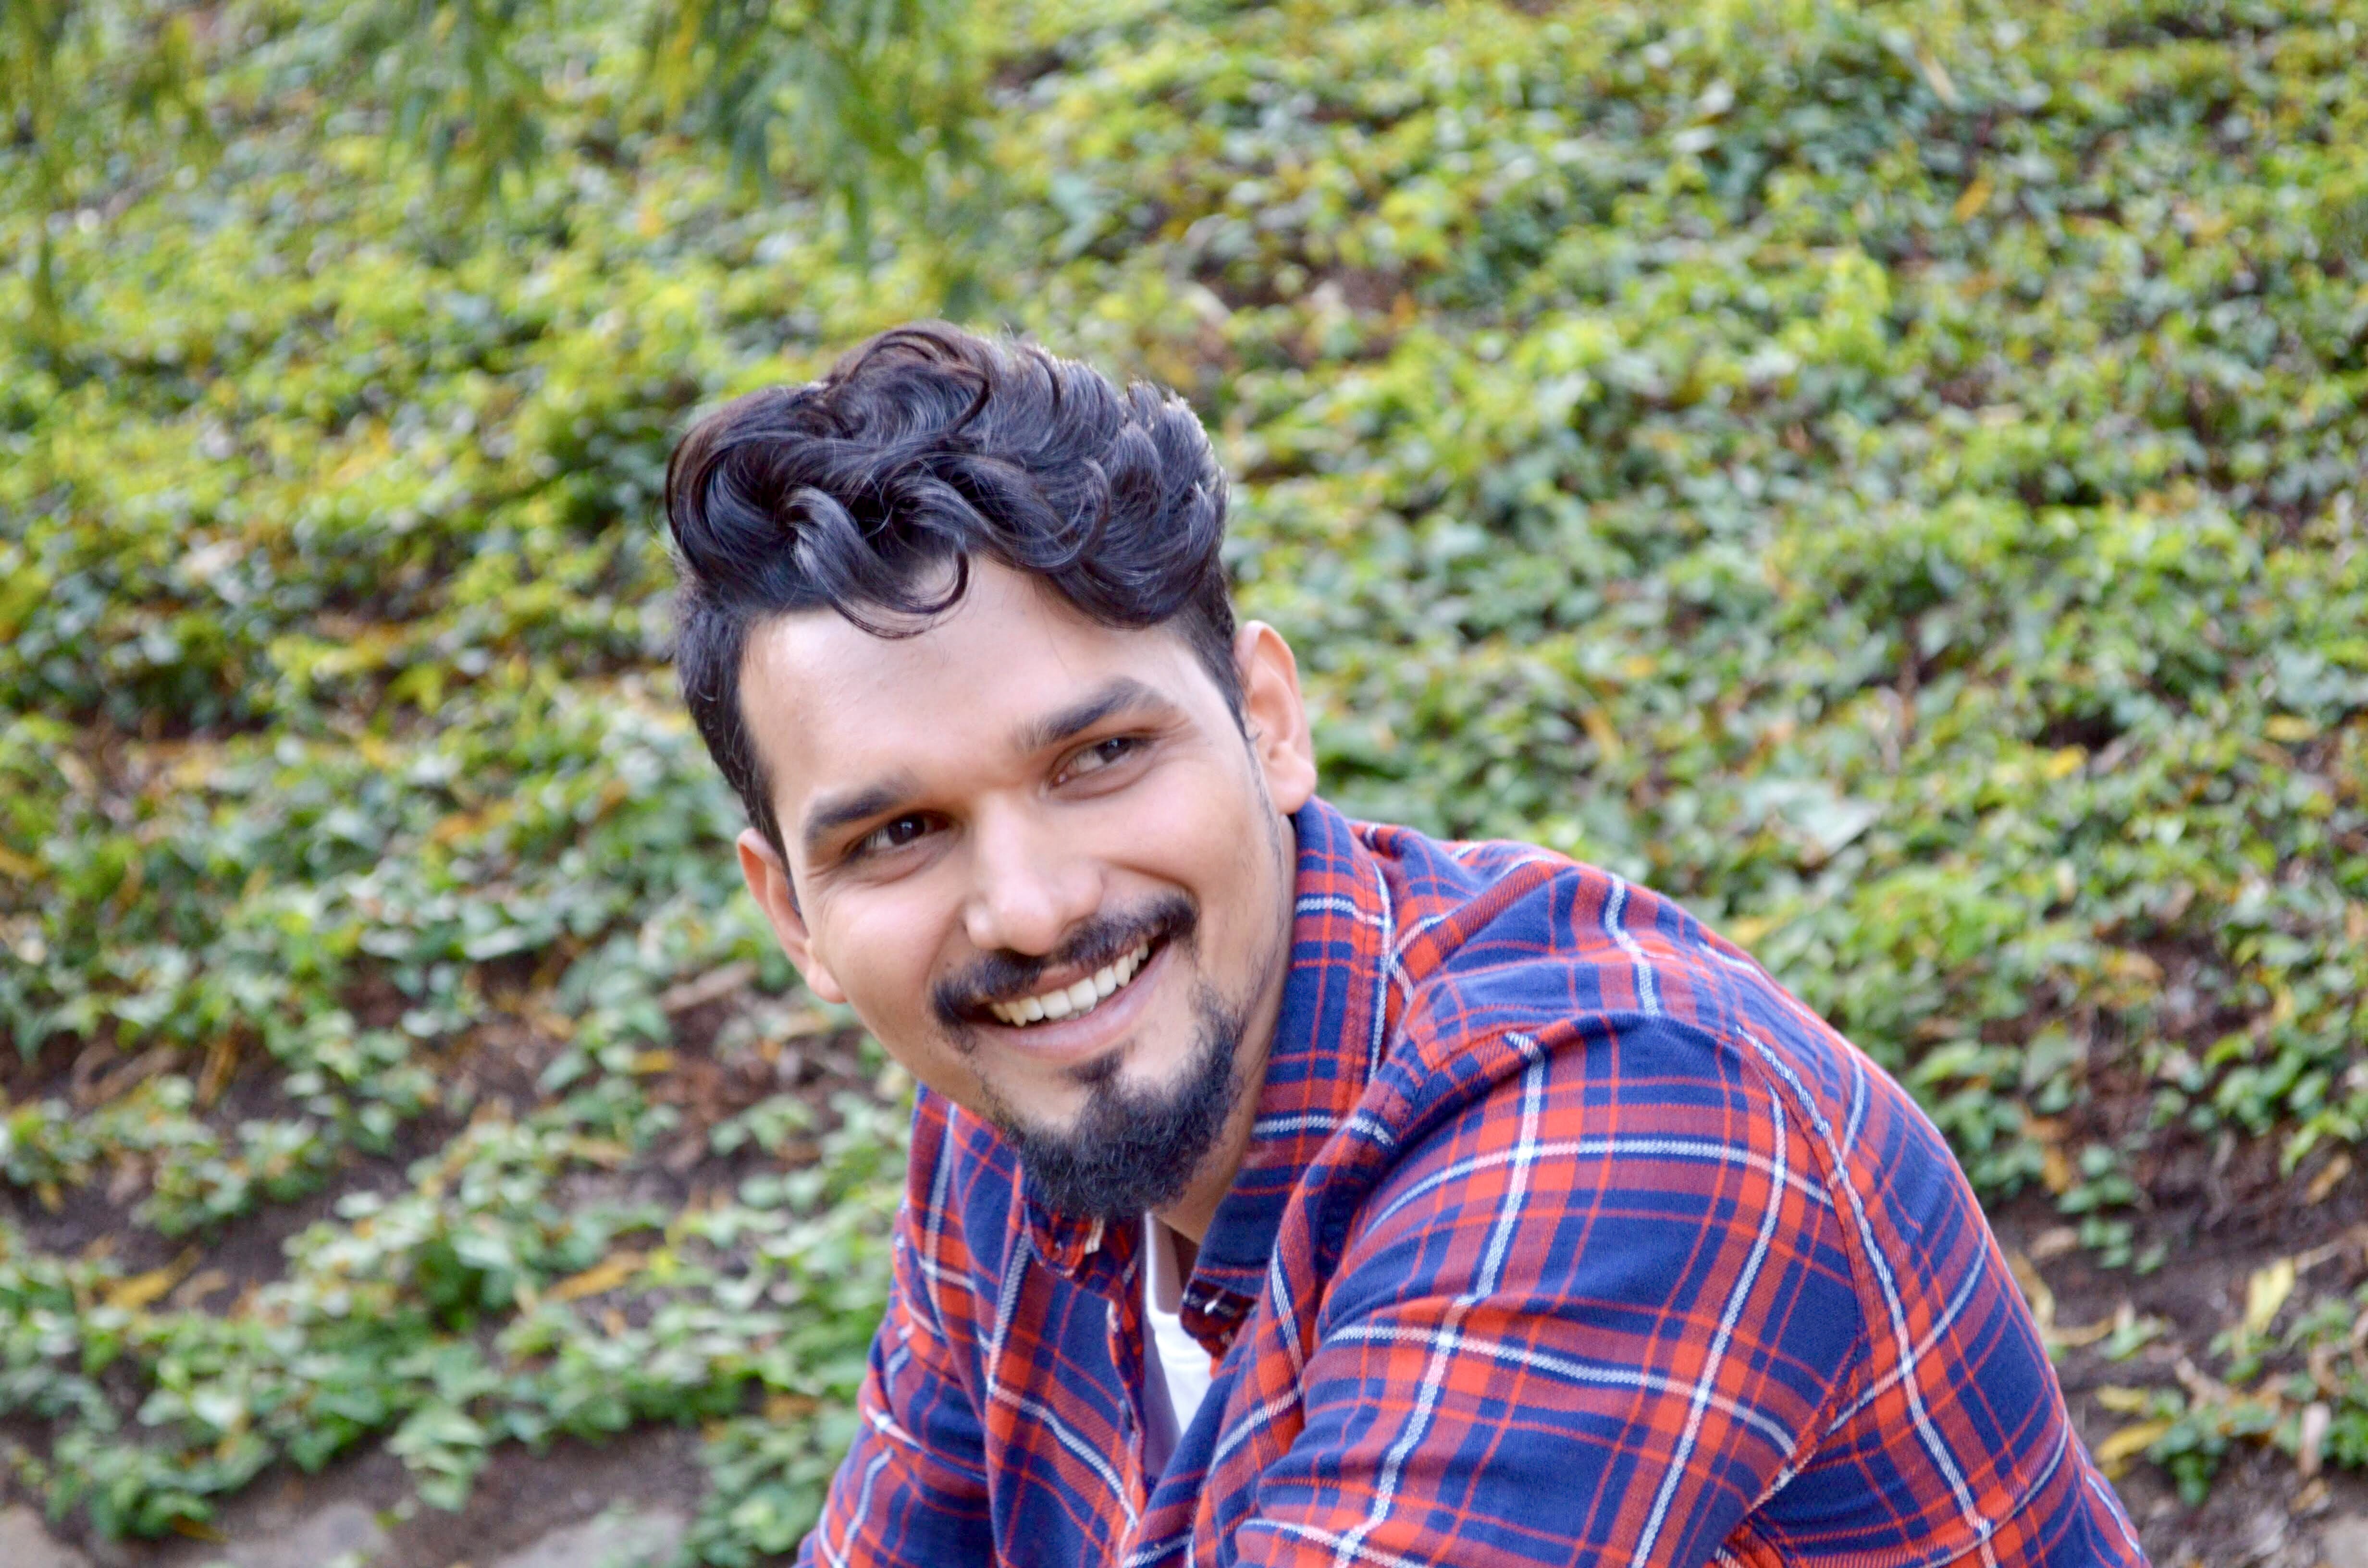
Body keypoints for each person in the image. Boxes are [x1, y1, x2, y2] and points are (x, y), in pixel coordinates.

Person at [662, 321, 2147, 1568]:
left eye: (1100, 756)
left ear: (1269, 722)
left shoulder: (1622, 1126)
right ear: (794, 913)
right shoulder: (1019, 1099)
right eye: (899, 835)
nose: (1033, 913)